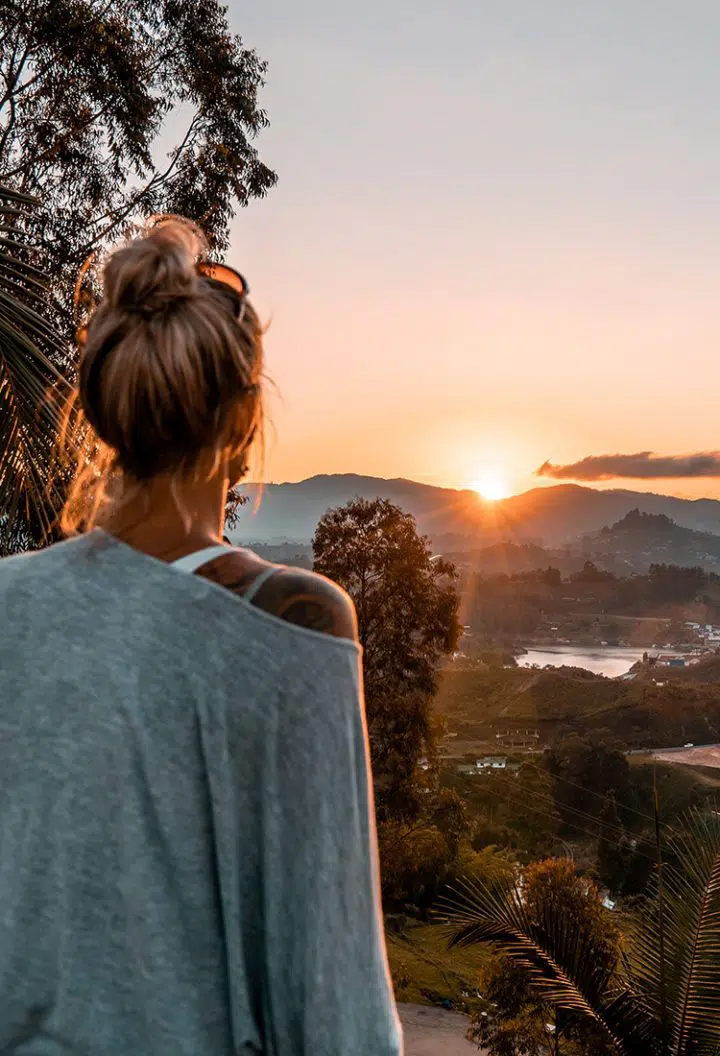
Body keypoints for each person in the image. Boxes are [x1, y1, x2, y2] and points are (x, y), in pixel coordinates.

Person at [0, 220, 403, 1056]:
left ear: (107, 411)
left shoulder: (11, 604)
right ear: (245, 422)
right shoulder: (288, 620)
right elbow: (336, 1009)